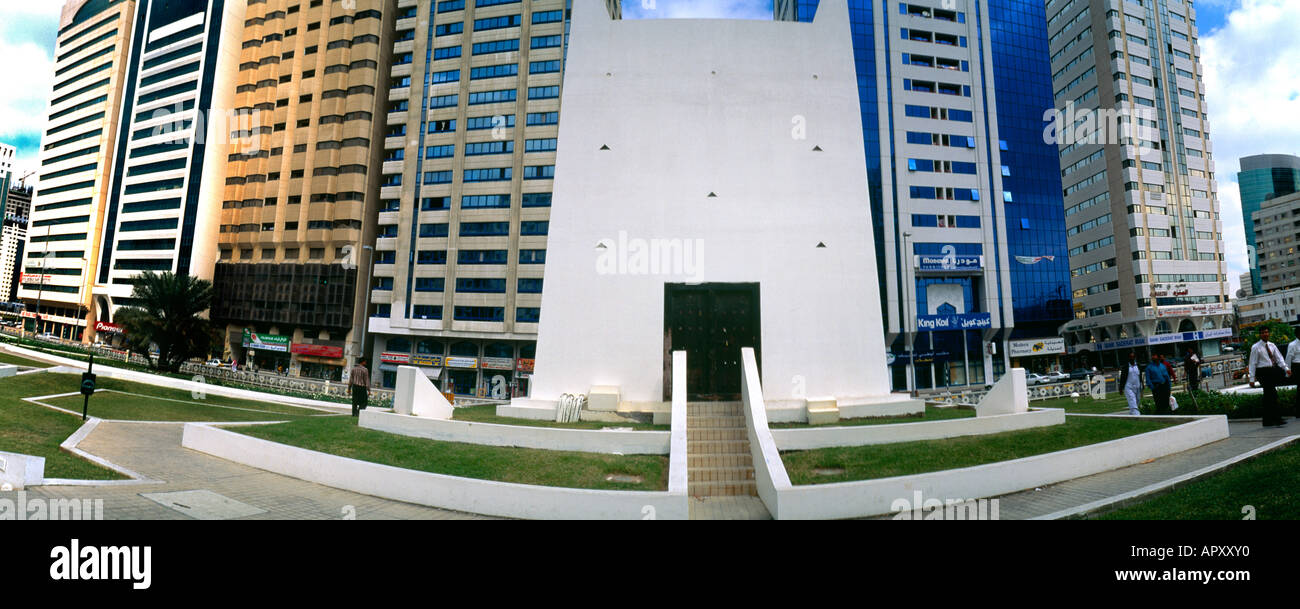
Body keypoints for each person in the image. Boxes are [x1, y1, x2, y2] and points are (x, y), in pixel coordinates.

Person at [1249, 327, 1289, 428]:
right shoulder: (1256, 347)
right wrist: (1252, 378)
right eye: (1263, 333)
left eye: (1266, 332)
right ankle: (1277, 419)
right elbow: (1252, 363)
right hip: (1262, 372)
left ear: (1269, 333)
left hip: (1271, 371)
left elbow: (1279, 358)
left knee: (1268, 396)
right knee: (1272, 394)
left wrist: (1286, 368)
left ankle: (1267, 421)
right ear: (1260, 335)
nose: (1265, 334)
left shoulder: (1272, 345)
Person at [1119, 351, 1144, 416]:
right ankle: (1137, 415)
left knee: (1137, 401)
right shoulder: (1125, 367)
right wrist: (1121, 388)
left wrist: (1142, 386)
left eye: (1133, 357)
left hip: (1137, 386)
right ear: (1129, 358)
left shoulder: (1138, 365)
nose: (1132, 358)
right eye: (1131, 357)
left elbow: (1140, 376)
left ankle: (1132, 413)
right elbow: (1122, 378)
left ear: (1135, 358)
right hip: (1128, 387)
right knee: (1132, 400)